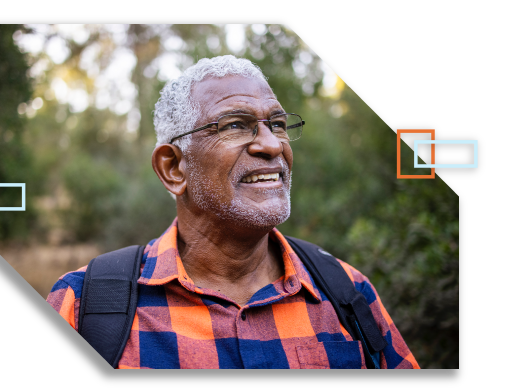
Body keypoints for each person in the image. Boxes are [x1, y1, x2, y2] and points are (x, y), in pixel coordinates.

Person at [47, 55, 419, 369]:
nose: (272, 145)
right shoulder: (83, 308)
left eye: (277, 124)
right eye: (236, 125)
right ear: (174, 169)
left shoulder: (347, 293)